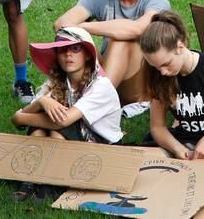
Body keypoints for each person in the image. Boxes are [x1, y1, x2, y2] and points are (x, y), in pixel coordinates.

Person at [54, 0, 170, 106]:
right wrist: (82, 37)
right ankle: (92, 100)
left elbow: (138, 29)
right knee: (75, 40)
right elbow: (61, 24)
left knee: (121, 39)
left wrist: (83, 28)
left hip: (141, 86)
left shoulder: (156, 0)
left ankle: (93, 104)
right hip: (107, 74)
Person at [11, 27, 122, 202]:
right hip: (73, 139)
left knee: (59, 125)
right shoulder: (57, 81)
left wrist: (19, 118)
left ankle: (52, 182)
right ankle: (30, 179)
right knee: (39, 123)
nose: (68, 54)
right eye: (62, 49)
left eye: (75, 48)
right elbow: (32, 113)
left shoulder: (101, 86)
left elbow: (63, 121)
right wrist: (41, 102)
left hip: (105, 147)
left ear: (87, 54)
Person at [139, 11, 204, 164]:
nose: (163, 72)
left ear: (180, 46)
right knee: (140, 163)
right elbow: (157, 126)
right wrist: (179, 149)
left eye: (166, 64)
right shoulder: (158, 74)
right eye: (156, 67)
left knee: (191, 174)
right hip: (180, 141)